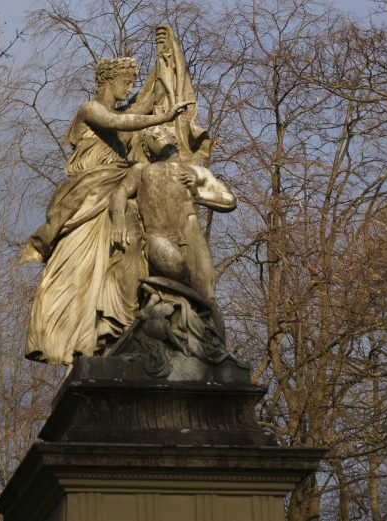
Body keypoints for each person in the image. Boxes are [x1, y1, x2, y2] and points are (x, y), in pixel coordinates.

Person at [19, 57, 193, 365]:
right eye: (125, 82)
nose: (129, 88)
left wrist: (163, 62)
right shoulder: (90, 110)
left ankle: (101, 336)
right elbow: (119, 123)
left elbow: (142, 103)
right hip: (86, 198)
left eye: (131, 82)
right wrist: (160, 116)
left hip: (111, 194)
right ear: (108, 81)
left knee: (113, 265)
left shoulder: (121, 113)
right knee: (75, 272)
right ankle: (67, 339)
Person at [109, 125, 236, 340]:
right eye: (151, 139)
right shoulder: (142, 170)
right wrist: (119, 220)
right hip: (158, 236)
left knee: (209, 298)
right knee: (175, 266)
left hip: (190, 234)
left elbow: (230, 200)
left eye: (160, 135)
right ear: (148, 149)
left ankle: (218, 354)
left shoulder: (198, 172)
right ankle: (182, 315)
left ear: (173, 138)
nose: (156, 139)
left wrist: (197, 192)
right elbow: (120, 191)